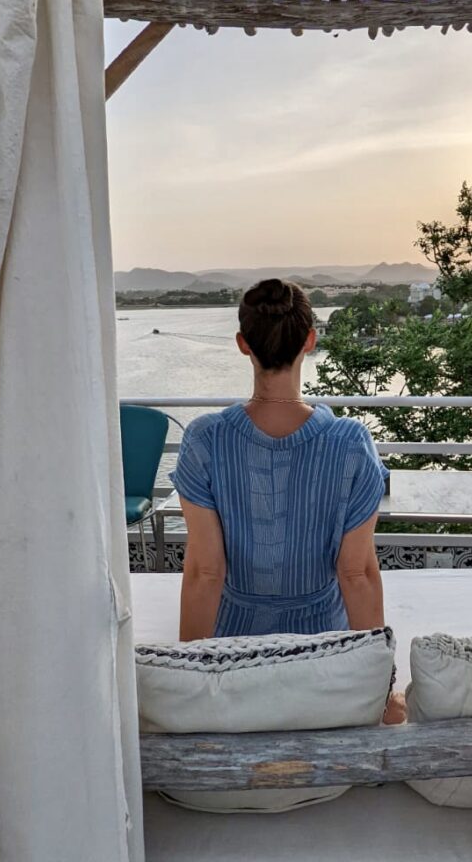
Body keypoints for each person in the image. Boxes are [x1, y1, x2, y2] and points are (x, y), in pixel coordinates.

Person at [171, 278, 404, 723]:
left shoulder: (204, 439)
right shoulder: (350, 442)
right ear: (310, 342)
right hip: (323, 655)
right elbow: (356, 573)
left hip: (235, 655)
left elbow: (205, 572)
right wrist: (382, 690)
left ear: (243, 344)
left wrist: (192, 682)